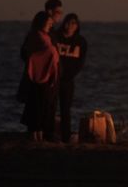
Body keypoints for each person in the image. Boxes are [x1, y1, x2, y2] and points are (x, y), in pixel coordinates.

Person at [20, 11, 60, 142]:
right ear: (42, 23)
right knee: (36, 106)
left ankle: (40, 135)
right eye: (49, 23)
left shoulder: (45, 36)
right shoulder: (36, 36)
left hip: (46, 76)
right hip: (38, 77)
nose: (51, 24)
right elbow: (37, 54)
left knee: (42, 107)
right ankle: (35, 136)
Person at [55, 13, 88, 143]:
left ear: (77, 26)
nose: (70, 26)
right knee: (49, 107)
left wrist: (68, 76)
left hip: (68, 80)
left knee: (65, 109)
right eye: (68, 23)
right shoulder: (55, 38)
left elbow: (80, 63)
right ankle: (47, 133)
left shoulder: (80, 42)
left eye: (73, 23)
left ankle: (66, 136)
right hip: (53, 78)